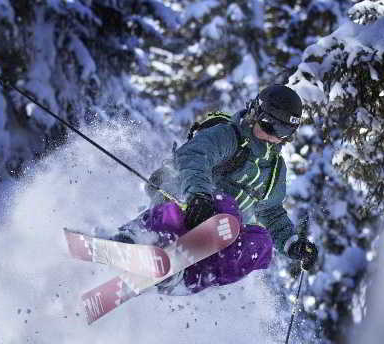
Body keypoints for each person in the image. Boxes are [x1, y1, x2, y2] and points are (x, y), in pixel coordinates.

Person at [117, 84, 319, 294]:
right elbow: (194, 155)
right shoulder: (230, 136)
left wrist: (292, 243)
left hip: (215, 236)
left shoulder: (275, 170)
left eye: (283, 131)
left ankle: (185, 278)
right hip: (186, 203)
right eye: (268, 126)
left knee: (261, 243)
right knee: (226, 208)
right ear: (255, 113)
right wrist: (199, 195)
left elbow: (271, 213)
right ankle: (135, 238)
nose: (272, 136)